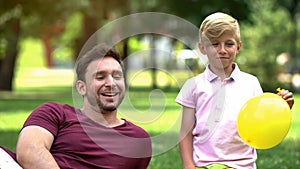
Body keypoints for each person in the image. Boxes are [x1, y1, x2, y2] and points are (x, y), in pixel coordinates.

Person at [1, 43, 152, 169]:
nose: (111, 83)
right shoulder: (54, 113)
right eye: (100, 77)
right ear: (81, 88)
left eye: (117, 76)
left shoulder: (138, 139)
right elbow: (29, 151)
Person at [176, 12, 294, 169]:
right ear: (202, 48)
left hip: (243, 166)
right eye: (215, 44)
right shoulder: (193, 86)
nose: (222, 50)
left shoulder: (251, 83)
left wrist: (282, 106)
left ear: (238, 47)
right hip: (204, 165)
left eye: (229, 44)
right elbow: (185, 133)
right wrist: (188, 166)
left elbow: (262, 120)